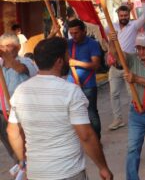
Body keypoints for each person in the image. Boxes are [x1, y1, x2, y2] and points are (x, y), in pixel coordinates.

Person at [7, 37, 113, 179]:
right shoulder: (70, 91)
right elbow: (86, 136)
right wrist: (103, 167)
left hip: (36, 173)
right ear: (59, 61)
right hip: (67, 171)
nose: (69, 59)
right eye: (67, 55)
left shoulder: (20, 91)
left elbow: (13, 132)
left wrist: (23, 161)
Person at [106, 31, 145, 180]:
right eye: (138, 48)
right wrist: (112, 41)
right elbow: (116, 55)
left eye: (144, 48)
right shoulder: (132, 59)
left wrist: (136, 79)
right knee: (132, 149)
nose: (141, 51)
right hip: (136, 112)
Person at [107, 2, 145, 131]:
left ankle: (137, 116)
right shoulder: (111, 27)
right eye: (121, 15)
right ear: (118, 15)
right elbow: (100, 30)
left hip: (129, 66)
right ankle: (118, 119)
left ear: (129, 15)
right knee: (114, 94)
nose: (124, 17)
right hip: (115, 67)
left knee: (132, 93)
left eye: (126, 15)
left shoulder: (134, 25)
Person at [0, 33, 37, 167]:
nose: (4, 50)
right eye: (2, 47)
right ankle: (20, 166)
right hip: (3, 113)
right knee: (12, 147)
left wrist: (7, 58)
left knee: (27, 146)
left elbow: (21, 69)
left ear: (18, 47)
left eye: (8, 46)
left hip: (22, 113)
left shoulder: (25, 62)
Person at [66, 19, 103, 137]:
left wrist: (76, 63)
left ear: (84, 31)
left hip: (88, 85)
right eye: (71, 33)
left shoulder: (93, 44)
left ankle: (96, 139)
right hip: (71, 85)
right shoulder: (69, 43)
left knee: (91, 113)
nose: (73, 36)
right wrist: (53, 32)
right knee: (73, 114)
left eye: (76, 33)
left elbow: (96, 65)